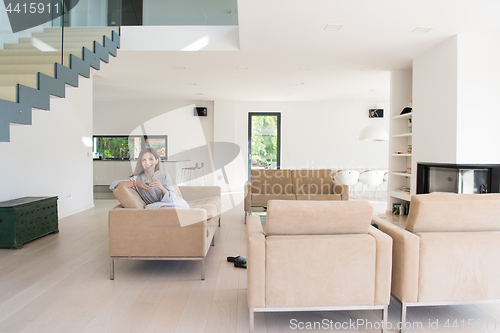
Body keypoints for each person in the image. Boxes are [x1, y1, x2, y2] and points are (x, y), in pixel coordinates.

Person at [109, 147, 189, 210]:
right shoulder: (137, 178)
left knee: (179, 205)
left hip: (171, 203)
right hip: (155, 207)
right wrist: (135, 183)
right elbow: (113, 185)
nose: (147, 163)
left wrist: (162, 188)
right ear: (141, 162)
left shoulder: (165, 175)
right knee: (159, 209)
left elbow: (173, 198)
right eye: (144, 160)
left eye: (151, 159)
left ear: (157, 160)